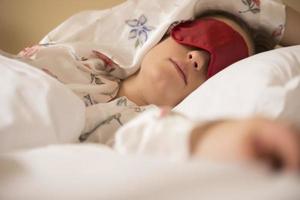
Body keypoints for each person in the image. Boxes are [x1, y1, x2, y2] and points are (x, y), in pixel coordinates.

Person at [17, 1, 300, 171]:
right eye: (201, 37)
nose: (198, 58)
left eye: (220, 65)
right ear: (164, 33)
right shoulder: (77, 58)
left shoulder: (146, 130)